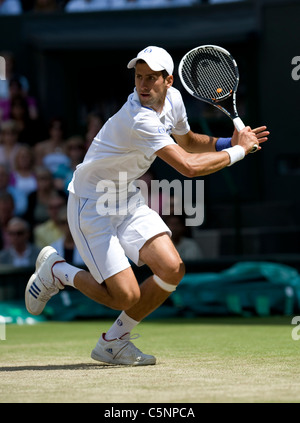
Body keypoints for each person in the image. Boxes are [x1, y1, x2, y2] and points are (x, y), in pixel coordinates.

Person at [25, 46, 269, 365]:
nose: (143, 85)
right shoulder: (138, 119)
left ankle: (113, 343)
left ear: (169, 81)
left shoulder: (175, 102)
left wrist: (231, 142)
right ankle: (58, 272)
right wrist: (238, 152)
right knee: (125, 296)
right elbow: (188, 166)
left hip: (126, 197)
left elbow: (189, 141)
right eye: (138, 77)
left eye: (151, 78)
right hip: (91, 204)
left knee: (172, 269)